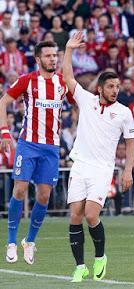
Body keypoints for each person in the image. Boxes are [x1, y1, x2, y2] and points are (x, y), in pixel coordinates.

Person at [62, 32, 134, 282]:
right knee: (75, 215)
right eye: (111, 86)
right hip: (80, 165)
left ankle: (101, 257)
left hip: (103, 169)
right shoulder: (86, 100)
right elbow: (68, 77)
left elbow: (131, 141)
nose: (116, 90)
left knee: (91, 215)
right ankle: (80, 266)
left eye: (118, 86)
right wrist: (69, 49)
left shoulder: (124, 113)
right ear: (101, 88)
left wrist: (128, 170)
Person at [0, 41, 74, 264]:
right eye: (49, 56)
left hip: (51, 148)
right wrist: (4, 132)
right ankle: (11, 241)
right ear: (38, 59)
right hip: (28, 144)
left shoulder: (63, 83)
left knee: (44, 196)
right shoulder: (27, 80)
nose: (53, 59)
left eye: (55, 55)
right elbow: (3, 101)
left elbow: (79, 101)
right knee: (20, 190)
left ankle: (29, 241)